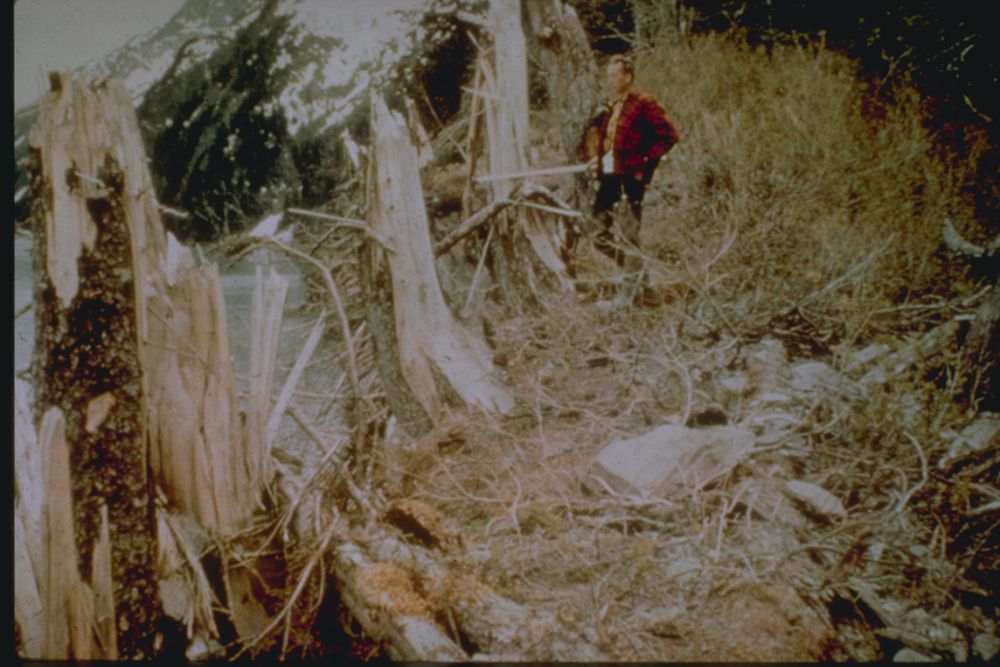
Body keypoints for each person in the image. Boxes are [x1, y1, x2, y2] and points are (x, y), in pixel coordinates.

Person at [584, 54, 679, 266]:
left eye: (614, 76)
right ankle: (637, 275)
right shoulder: (616, 105)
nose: (610, 80)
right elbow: (611, 143)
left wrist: (646, 161)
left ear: (628, 77)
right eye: (608, 76)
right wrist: (598, 161)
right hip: (610, 177)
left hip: (631, 178)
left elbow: (670, 135)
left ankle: (632, 291)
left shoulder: (644, 103)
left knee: (629, 237)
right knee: (595, 230)